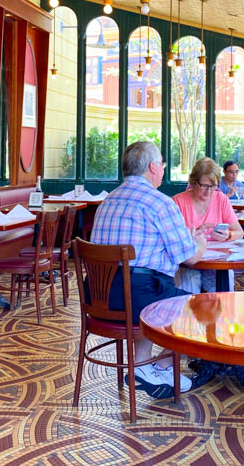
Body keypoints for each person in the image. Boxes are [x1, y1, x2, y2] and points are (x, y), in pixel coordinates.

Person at [91, 141, 206, 396]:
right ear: (153, 167)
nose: (163, 170)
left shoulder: (107, 201)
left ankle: (143, 367)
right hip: (137, 298)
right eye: (162, 164)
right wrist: (200, 243)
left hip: (98, 298)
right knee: (202, 308)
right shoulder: (160, 203)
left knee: (150, 284)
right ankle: (162, 365)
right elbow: (189, 258)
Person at [173, 158, 244, 293]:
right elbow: (172, 240)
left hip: (217, 262)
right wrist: (191, 235)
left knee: (222, 290)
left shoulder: (221, 199)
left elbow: (239, 232)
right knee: (189, 287)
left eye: (213, 186)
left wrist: (228, 235)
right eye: (204, 186)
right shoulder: (178, 202)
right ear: (193, 183)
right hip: (189, 262)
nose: (209, 192)